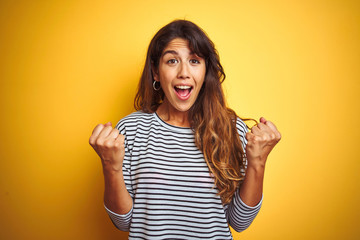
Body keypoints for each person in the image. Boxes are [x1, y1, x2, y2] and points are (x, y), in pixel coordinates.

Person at [89, 19, 281, 239]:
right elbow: (123, 222)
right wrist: (110, 166)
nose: (184, 72)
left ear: (205, 69)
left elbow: (240, 221)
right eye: (172, 61)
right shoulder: (131, 130)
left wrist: (258, 162)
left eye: (194, 61)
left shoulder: (232, 130)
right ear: (155, 72)